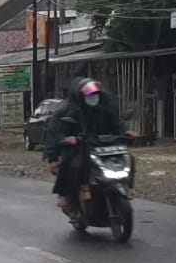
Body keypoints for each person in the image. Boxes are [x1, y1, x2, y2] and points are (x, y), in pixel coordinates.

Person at [45, 77, 126, 212]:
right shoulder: (66, 111)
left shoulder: (105, 108)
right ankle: (67, 194)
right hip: (77, 148)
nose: (93, 98)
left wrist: (125, 133)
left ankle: (123, 185)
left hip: (102, 148)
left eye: (95, 95)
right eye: (89, 95)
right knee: (76, 164)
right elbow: (55, 134)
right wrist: (56, 152)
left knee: (125, 158)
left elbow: (117, 124)